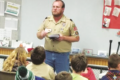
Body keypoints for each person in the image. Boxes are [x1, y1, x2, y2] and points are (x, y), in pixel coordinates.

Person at [37, 0, 80, 73]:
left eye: (57, 7)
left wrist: (63, 38)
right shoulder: (47, 20)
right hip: (48, 54)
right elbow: (38, 35)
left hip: (62, 55)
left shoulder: (69, 22)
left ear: (63, 9)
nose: (54, 8)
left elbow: (77, 38)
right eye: (53, 7)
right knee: (46, 76)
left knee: (63, 77)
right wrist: (42, 34)